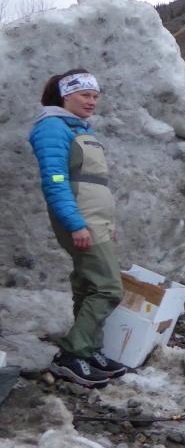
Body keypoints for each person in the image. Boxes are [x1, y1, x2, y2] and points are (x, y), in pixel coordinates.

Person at [29, 69, 128, 388]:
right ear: (65, 95)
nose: (92, 101)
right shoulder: (52, 128)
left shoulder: (78, 129)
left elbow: (94, 184)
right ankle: (72, 354)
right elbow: (55, 180)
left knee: (88, 285)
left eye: (95, 96)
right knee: (108, 288)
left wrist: (107, 222)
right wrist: (75, 224)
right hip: (80, 220)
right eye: (85, 95)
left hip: (94, 221)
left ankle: (89, 350)